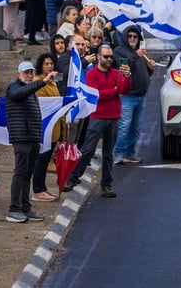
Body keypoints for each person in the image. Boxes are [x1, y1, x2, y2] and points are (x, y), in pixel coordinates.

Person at [63, 43, 131, 199]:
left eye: (110, 57)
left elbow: (124, 90)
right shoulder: (92, 74)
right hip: (98, 116)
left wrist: (127, 77)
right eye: (106, 56)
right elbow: (96, 94)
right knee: (87, 150)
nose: (109, 59)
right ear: (99, 57)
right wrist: (114, 90)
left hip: (113, 116)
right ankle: (73, 178)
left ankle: (106, 185)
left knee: (108, 154)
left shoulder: (116, 73)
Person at [4, 59, 57, 223]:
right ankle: (14, 208)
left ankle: (25, 207)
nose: (28, 75)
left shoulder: (30, 91)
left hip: (32, 137)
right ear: (19, 74)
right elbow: (19, 94)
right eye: (25, 72)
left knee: (27, 173)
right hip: (21, 137)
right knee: (20, 173)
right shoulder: (14, 87)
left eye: (30, 72)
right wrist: (43, 82)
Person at [113, 27, 156, 165]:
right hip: (127, 95)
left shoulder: (141, 54)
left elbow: (144, 74)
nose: (132, 39)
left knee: (135, 127)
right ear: (125, 37)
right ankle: (119, 153)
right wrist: (136, 55)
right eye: (130, 36)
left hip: (141, 95)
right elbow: (123, 67)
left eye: (135, 37)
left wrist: (150, 68)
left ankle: (130, 153)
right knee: (124, 125)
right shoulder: (119, 51)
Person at [31, 53, 65, 202]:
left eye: (51, 63)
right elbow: (44, 104)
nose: (50, 66)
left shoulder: (52, 82)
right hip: (45, 127)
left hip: (55, 127)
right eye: (46, 64)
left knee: (46, 159)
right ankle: (38, 189)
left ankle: (42, 188)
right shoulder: (39, 82)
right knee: (41, 159)